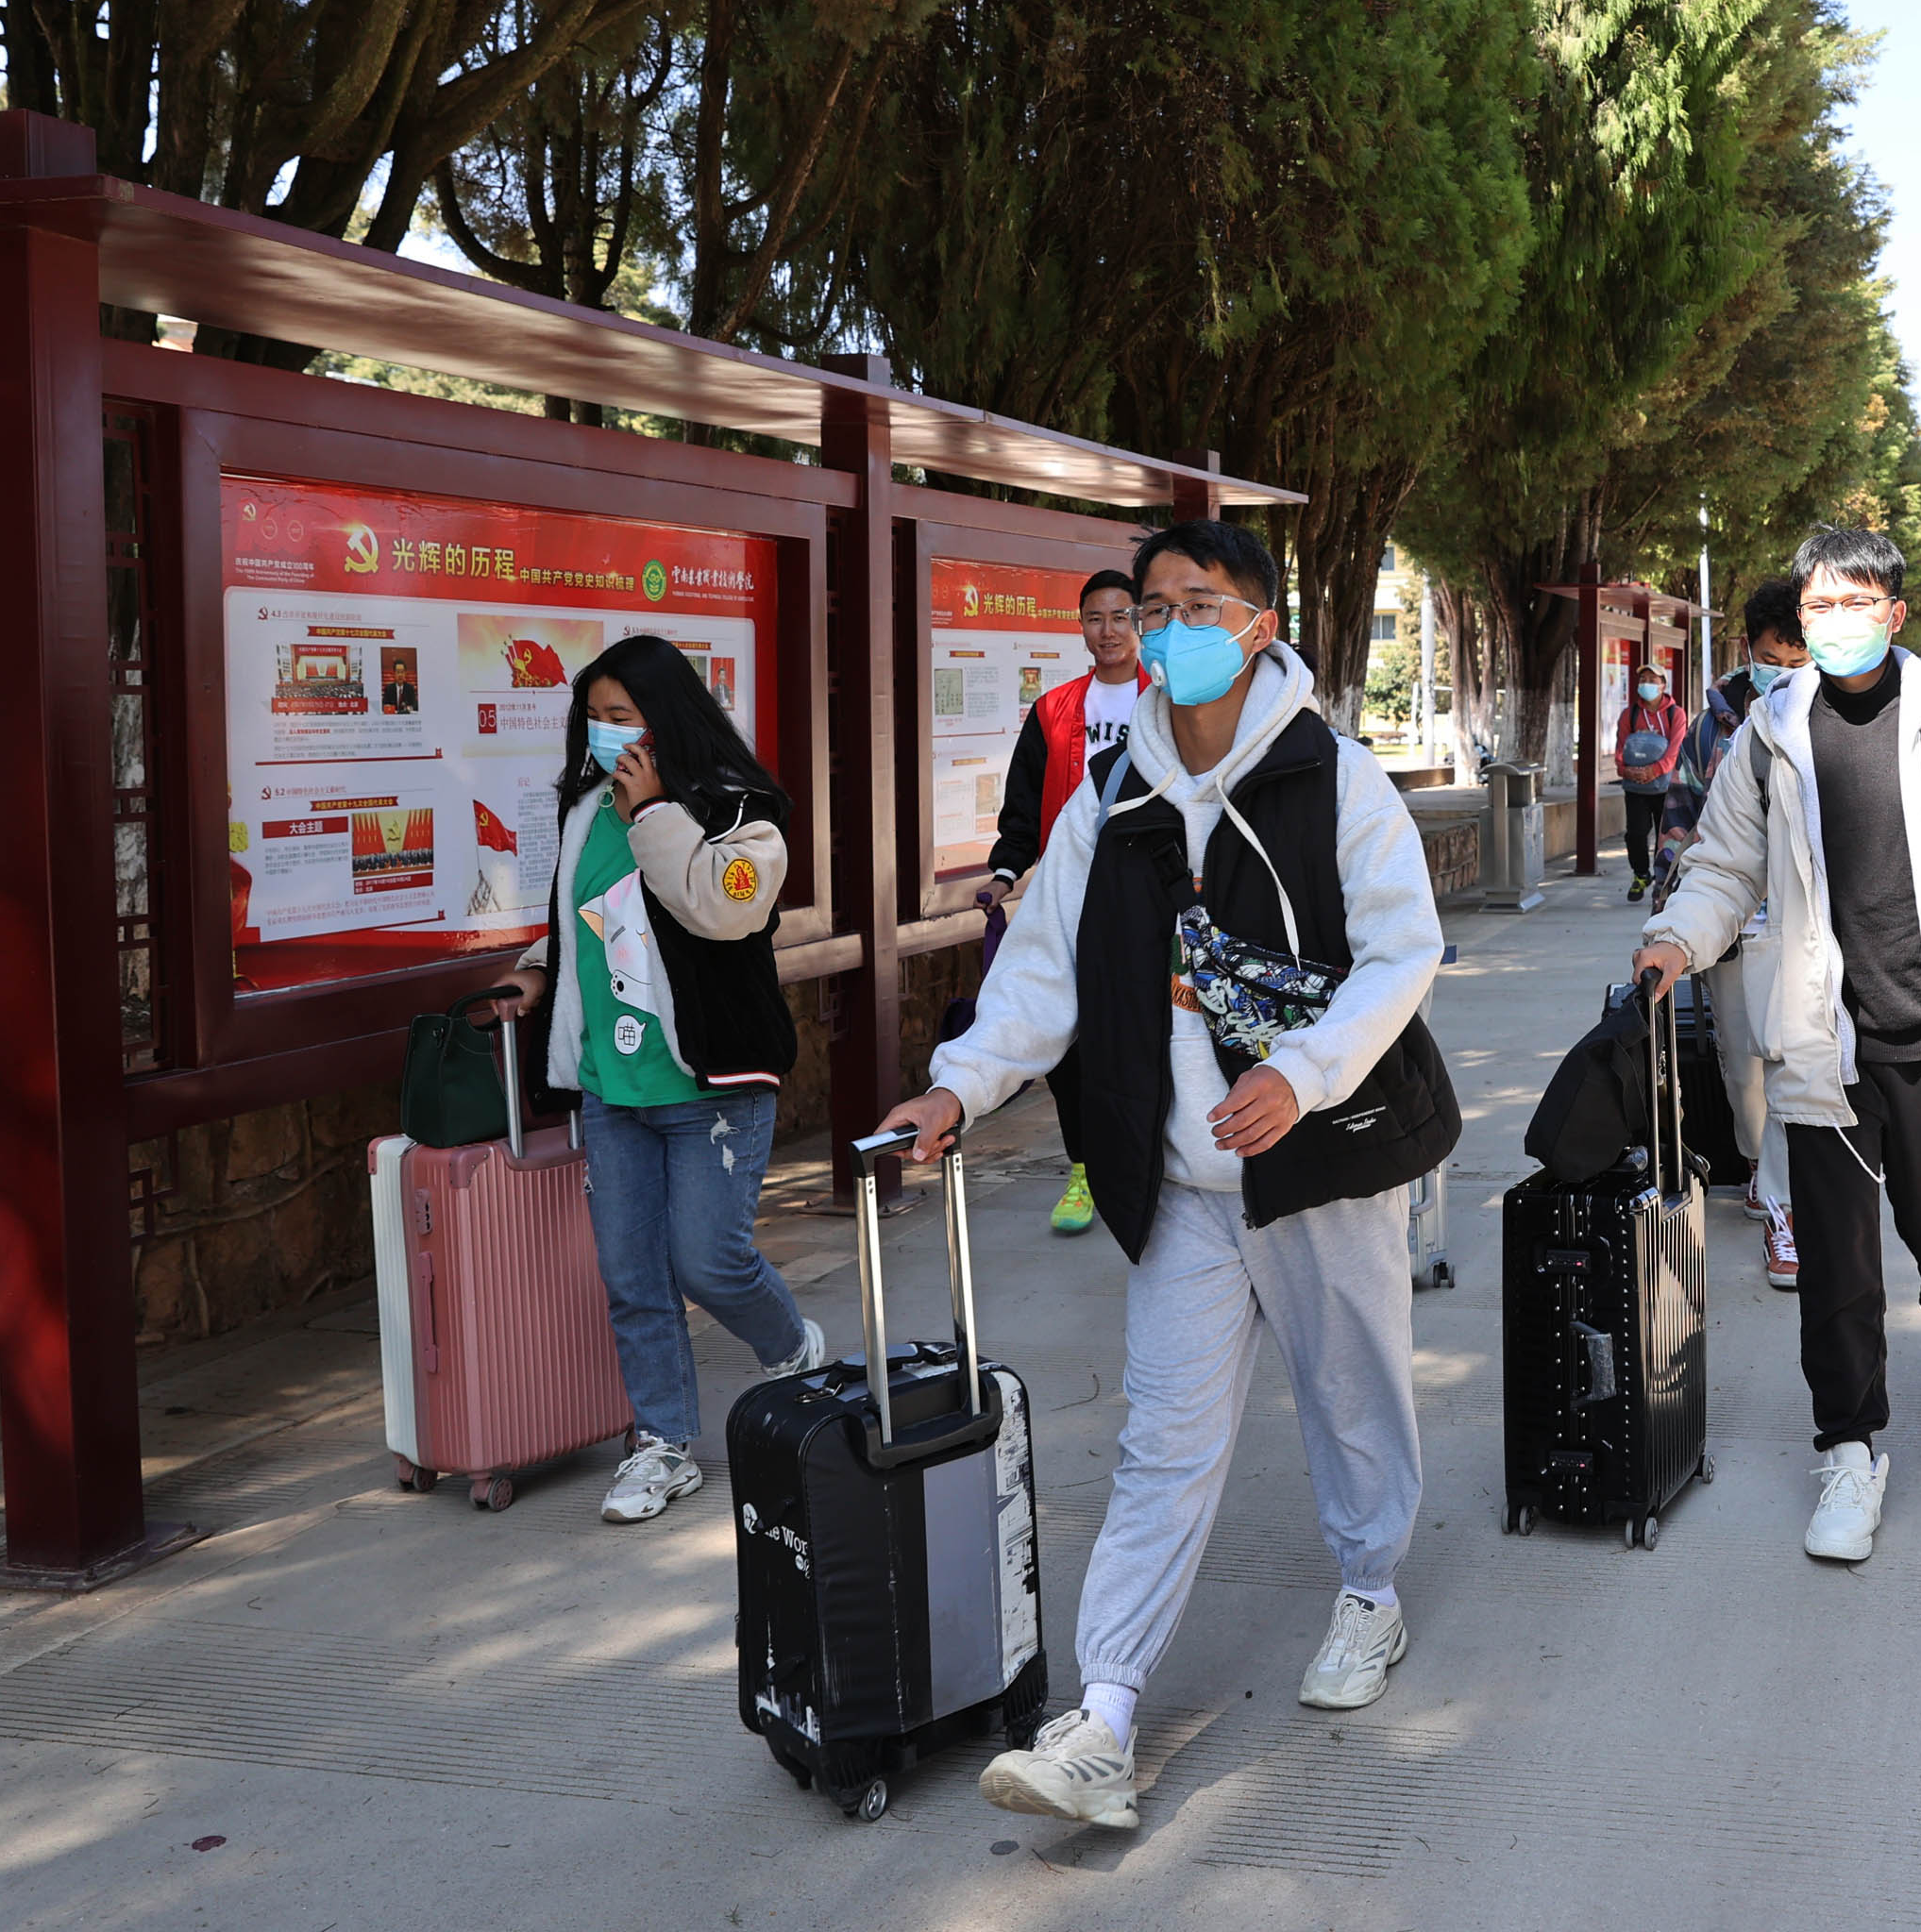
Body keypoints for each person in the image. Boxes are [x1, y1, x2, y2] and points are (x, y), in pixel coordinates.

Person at [885, 518, 1458, 1834]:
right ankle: (1104, 1718)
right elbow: (1041, 975)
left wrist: (1302, 1072)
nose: (1170, 627)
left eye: (1200, 603)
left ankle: (1370, 1592)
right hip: (1185, 1181)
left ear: (1260, 626)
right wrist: (957, 1085)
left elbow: (1402, 952)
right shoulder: (1111, 797)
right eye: (1154, 606)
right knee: (1161, 1446)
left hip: (1322, 1162)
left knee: (1353, 1396)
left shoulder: (1335, 777)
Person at [1634, 526, 1921, 1565]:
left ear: (1895, 612)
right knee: (1835, 1268)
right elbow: (1726, 863)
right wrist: (1676, 938)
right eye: (1818, 605)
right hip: (1821, 1039)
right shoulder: (1772, 729)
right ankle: (1847, 1449)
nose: (1835, 621)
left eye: (1855, 602)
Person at [489, 635, 819, 1524]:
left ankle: (792, 1347)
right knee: (633, 1278)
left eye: (625, 717)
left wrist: (657, 812)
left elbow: (722, 908)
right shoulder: (585, 809)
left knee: (709, 1263)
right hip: (614, 1088)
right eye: (595, 718)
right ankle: (663, 1444)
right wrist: (536, 970)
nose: (608, 735)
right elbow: (587, 916)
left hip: (710, 1087)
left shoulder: (742, 809)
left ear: (669, 717)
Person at [986, 568, 1148, 1234]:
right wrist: (1005, 872)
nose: (1108, 631)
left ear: (1140, 622)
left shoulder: (1167, 699)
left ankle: (1146, 1159)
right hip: (1068, 891)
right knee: (1068, 1036)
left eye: (1120, 616)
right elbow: (1024, 802)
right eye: (1094, 618)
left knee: (1147, 1025)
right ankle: (1083, 1167)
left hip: (1148, 892)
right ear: (1079, 627)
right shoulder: (1053, 709)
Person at [1660, 575, 1810, 1292]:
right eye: (1770, 659)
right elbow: (1681, 814)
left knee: (1791, 1063)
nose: (1782, 673)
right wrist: (1675, 911)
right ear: (1749, 651)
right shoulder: (1715, 726)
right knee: (1744, 1066)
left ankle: (1785, 1206)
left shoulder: (1827, 720)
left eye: (1796, 660)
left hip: (1802, 926)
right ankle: (1755, 1160)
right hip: (1727, 921)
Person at [1614, 664, 1690, 902]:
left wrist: (1653, 771)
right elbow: (1620, 748)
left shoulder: (1675, 714)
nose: (1646, 683)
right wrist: (1625, 770)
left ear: (1663, 685)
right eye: (1643, 679)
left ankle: (1664, 880)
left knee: (1666, 836)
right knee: (1635, 834)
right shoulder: (1630, 714)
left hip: (1666, 787)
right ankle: (1640, 874)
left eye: (1652, 679)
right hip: (1635, 787)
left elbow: (1675, 750)